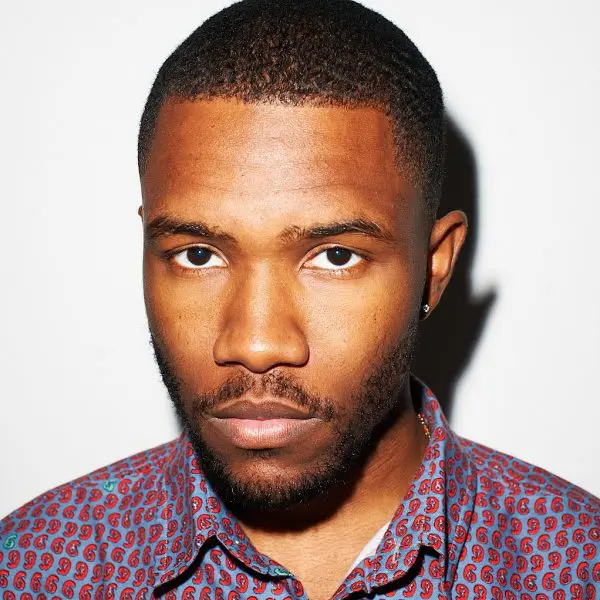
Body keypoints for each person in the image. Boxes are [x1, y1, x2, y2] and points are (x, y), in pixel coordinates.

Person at [1, 0, 598, 597]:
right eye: (198, 255)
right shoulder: (32, 569)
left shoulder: (577, 565)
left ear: (434, 267)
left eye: (335, 257)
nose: (256, 345)